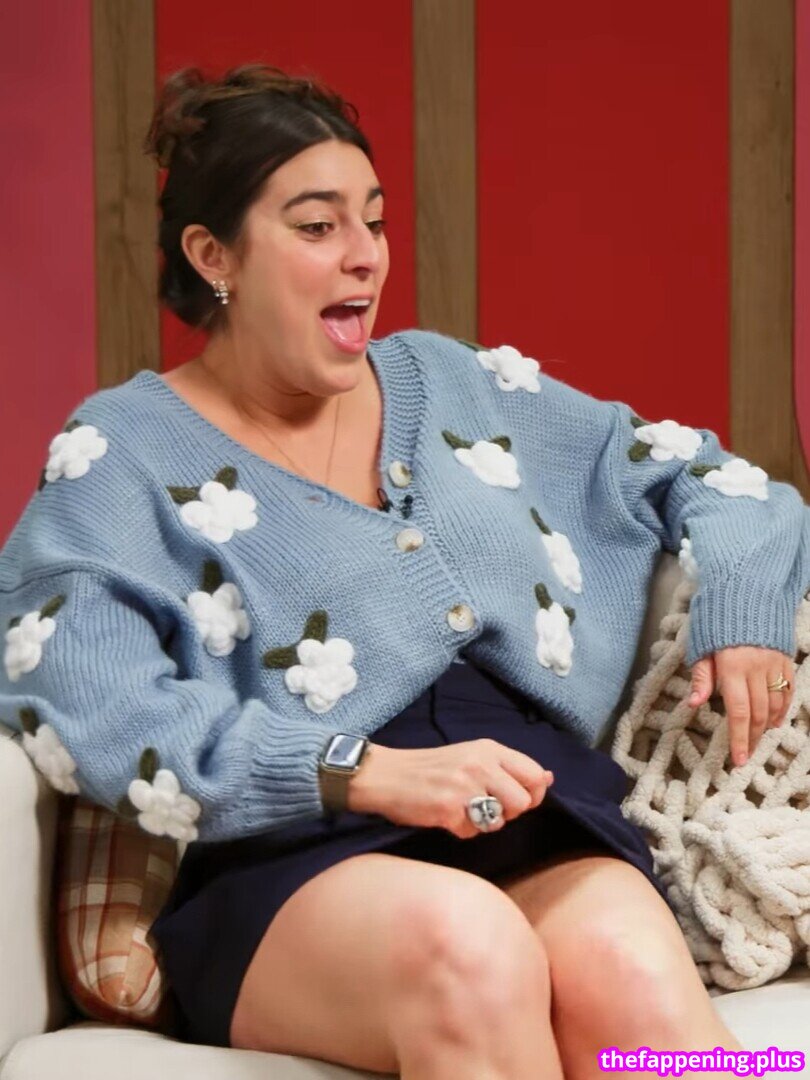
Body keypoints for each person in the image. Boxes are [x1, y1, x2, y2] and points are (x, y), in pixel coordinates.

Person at [1, 62, 806, 1078]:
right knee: (471, 952)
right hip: (298, 853)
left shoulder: (452, 381)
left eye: (374, 222)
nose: (364, 256)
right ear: (214, 255)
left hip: (536, 813)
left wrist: (743, 604)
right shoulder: (119, 452)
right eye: (316, 225)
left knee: (641, 990)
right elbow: (91, 702)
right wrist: (361, 770)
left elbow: (710, 477)